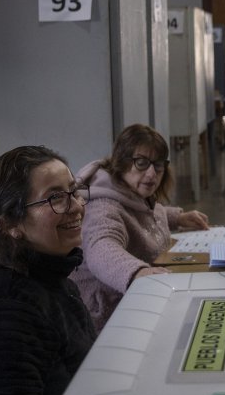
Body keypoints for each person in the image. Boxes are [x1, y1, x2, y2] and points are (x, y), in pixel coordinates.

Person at [0, 145, 95, 395]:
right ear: (9, 224)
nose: (76, 207)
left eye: (73, 192)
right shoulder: (5, 313)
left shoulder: (51, 277)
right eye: (55, 198)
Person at [71, 124, 210, 331]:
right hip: (108, 320)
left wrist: (177, 217)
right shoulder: (103, 207)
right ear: (121, 162)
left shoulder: (131, 191)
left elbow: (143, 212)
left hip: (136, 302)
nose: (152, 174)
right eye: (141, 163)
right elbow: (100, 247)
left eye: (158, 164)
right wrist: (137, 272)